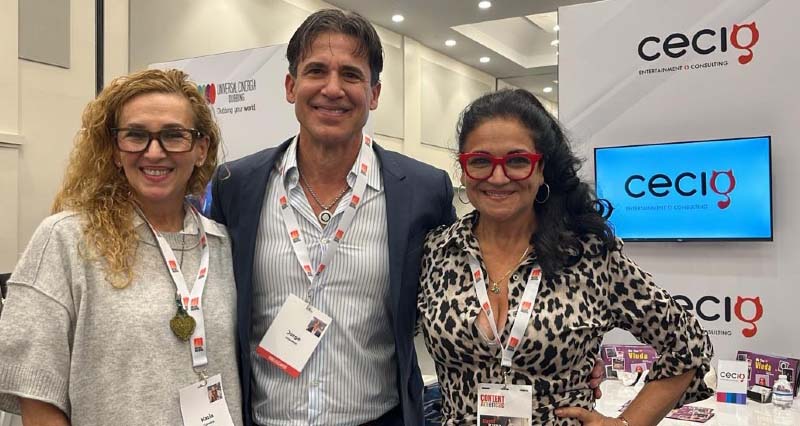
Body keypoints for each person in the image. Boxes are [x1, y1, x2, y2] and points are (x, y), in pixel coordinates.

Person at [211, 9, 603, 425]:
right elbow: (213, 300)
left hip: (382, 419)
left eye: (351, 74)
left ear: (374, 93)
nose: (332, 88)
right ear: (291, 86)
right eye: (316, 71)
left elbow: (471, 282)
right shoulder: (238, 185)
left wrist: (570, 353)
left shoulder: (421, 190)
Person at [417, 89, 714, 425]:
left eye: (517, 161)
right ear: (463, 169)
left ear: (542, 168)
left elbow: (687, 345)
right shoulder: (436, 252)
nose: (497, 177)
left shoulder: (587, 255)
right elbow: (384, 342)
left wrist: (626, 423)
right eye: (480, 161)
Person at [0, 69, 242, 425]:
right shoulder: (68, 239)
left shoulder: (222, 246)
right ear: (115, 149)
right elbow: (36, 394)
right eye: (136, 135)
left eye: (174, 135)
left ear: (200, 149)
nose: (154, 152)